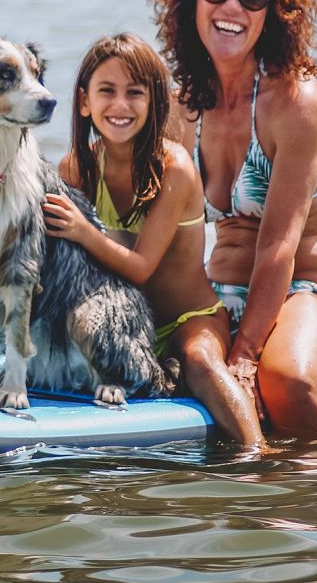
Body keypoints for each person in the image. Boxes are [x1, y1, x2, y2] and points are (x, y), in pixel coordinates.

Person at [150, 0, 317, 434]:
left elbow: (280, 247)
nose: (231, 8)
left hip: (306, 293)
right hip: (217, 295)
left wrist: (244, 357)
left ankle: (309, 498)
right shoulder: (182, 107)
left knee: (286, 380)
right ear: (192, 1)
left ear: (274, 14)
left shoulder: (295, 103)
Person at [41, 33, 263, 445]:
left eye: (135, 93)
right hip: (117, 330)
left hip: (185, 320)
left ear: (155, 103)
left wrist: (82, 229)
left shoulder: (173, 167)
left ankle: (258, 456)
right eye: (106, 91)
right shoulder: (76, 168)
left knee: (201, 363)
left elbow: (142, 267)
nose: (120, 105)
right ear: (85, 102)